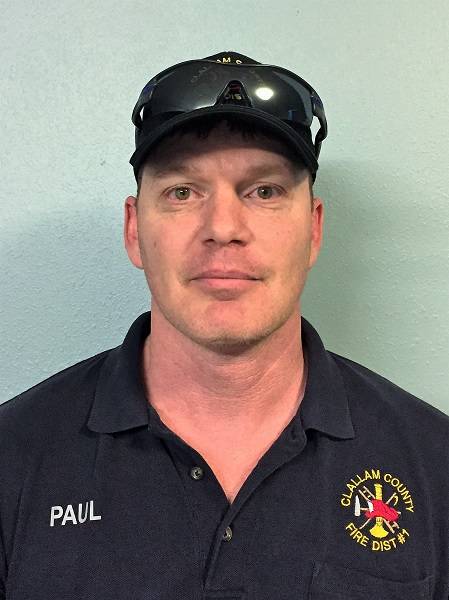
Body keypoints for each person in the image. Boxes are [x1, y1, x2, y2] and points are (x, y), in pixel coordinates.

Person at [1, 51, 448, 599]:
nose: (223, 228)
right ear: (134, 230)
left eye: (264, 191)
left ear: (313, 231)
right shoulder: (13, 458)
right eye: (182, 192)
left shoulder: (435, 463)